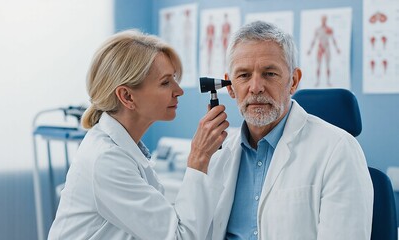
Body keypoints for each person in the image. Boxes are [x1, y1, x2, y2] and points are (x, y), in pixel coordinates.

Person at [48, 29, 229, 240]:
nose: (179, 91)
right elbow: (179, 237)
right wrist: (199, 157)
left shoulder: (124, 150)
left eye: (174, 79)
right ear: (127, 96)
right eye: (165, 82)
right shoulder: (106, 159)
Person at [205, 21, 373, 240]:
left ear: (293, 81)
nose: (256, 87)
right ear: (230, 87)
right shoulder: (218, 152)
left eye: (269, 74)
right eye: (244, 75)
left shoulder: (339, 150)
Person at [307, 15, 341, 87]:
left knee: (328, 65)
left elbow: (333, 39)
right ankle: (317, 81)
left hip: (327, 47)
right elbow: (314, 40)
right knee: (318, 65)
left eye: (325, 19)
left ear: (326, 20)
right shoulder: (318, 29)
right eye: (323, 19)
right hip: (320, 47)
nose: (324, 21)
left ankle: (328, 81)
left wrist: (337, 48)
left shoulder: (329, 29)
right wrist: (310, 49)